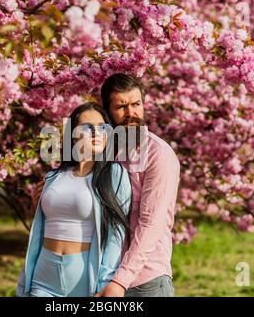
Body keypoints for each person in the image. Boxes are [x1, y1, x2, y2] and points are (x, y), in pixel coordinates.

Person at [31, 73, 181, 297]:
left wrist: (120, 281)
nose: (131, 113)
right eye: (121, 106)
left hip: (144, 280)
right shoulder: (103, 150)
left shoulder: (158, 155)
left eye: (136, 104)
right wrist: (44, 200)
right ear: (108, 112)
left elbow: (151, 225)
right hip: (99, 277)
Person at [16, 102, 132, 297]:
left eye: (102, 127)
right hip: (44, 276)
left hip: (84, 279)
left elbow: (116, 234)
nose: (97, 133)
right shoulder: (53, 176)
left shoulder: (114, 174)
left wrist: (106, 280)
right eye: (87, 127)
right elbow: (42, 224)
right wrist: (37, 207)